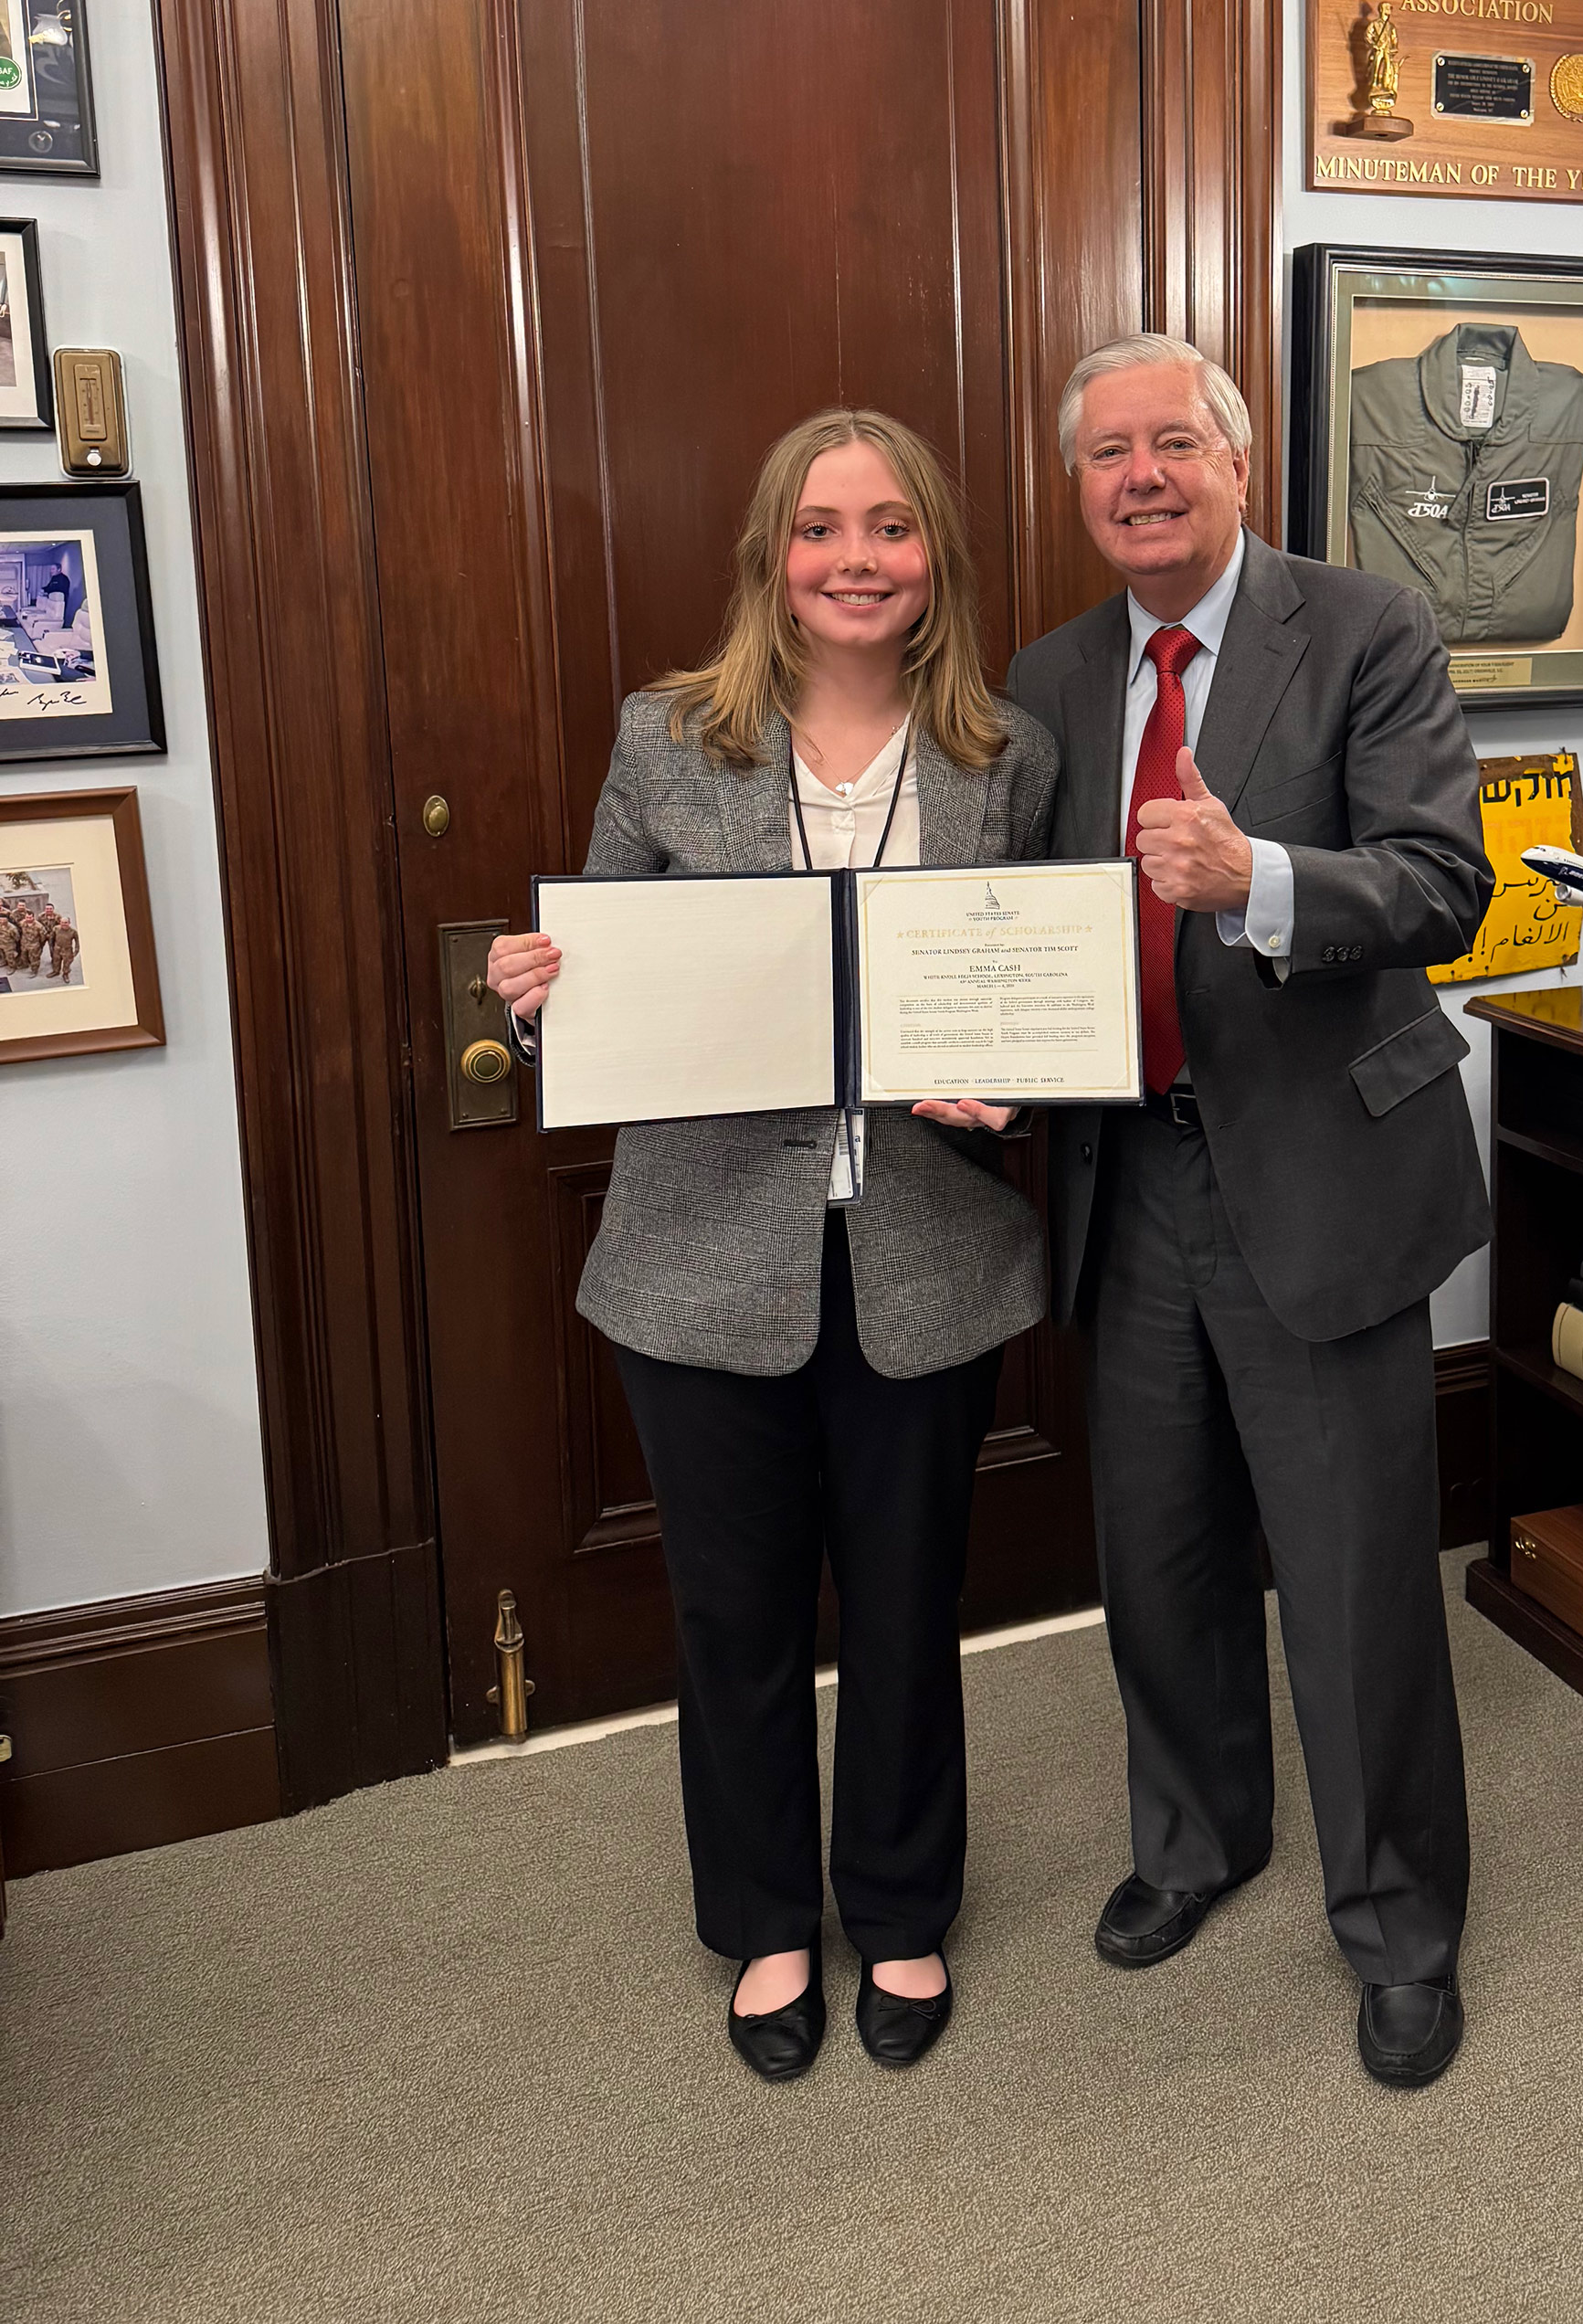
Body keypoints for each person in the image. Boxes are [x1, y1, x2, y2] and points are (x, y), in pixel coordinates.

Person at [945, 330, 1492, 2088]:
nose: (1142, 477)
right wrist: (991, 1057)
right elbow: (1020, 929)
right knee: (1159, 1553)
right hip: (1129, 1171)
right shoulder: (1050, 672)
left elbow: (1447, 886)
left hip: (1319, 1170)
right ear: (1078, 488)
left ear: (1238, 462)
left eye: (1173, 442)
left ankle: (1399, 1924)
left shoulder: (1366, 627)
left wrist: (1262, 877)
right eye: (1108, 453)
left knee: (1350, 1577)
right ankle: (1196, 1840)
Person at [486, 411, 1057, 2086]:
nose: (855, 559)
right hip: (701, 1261)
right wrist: (536, 1002)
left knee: (908, 1610)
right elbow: (595, 986)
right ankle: (766, 1924)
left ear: (934, 555)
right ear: (772, 556)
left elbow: (1039, 988)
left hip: (928, 1252)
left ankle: (900, 1904)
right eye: (820, 529)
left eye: (890, 527)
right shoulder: (670, 739)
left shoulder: (1007, 754)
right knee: (733, 1622)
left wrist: (1019, 1085)